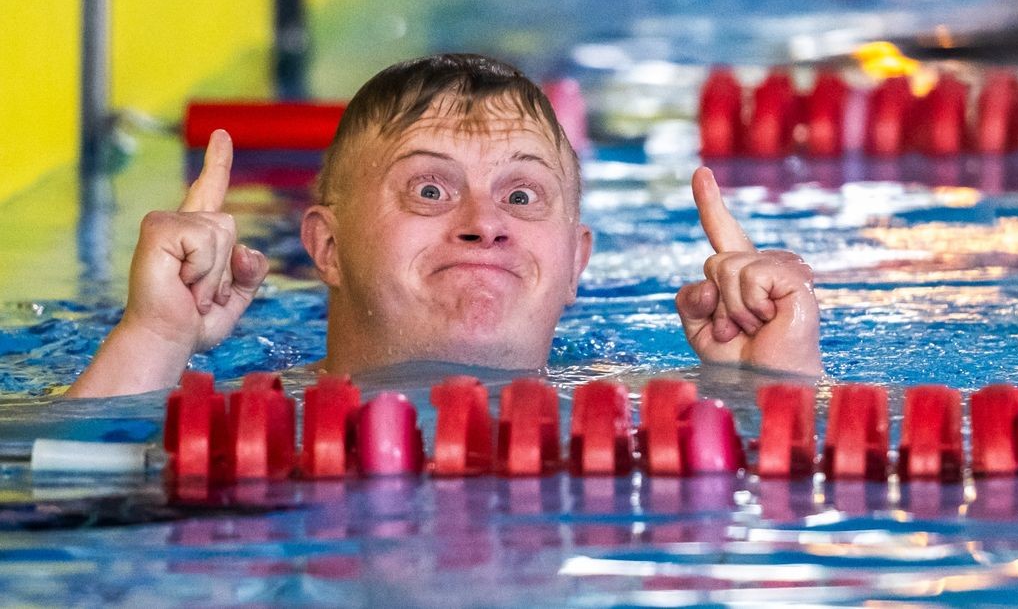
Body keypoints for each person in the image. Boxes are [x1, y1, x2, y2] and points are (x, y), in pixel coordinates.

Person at [67, 54, 821, 398]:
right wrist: (154, 338)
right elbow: (44, 498)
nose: (483, 224)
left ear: (575, 264)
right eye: (430, 188)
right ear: (327, 246)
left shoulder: (642, 416)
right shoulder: (248, 418)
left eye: (523, 197)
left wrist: (777, 379)